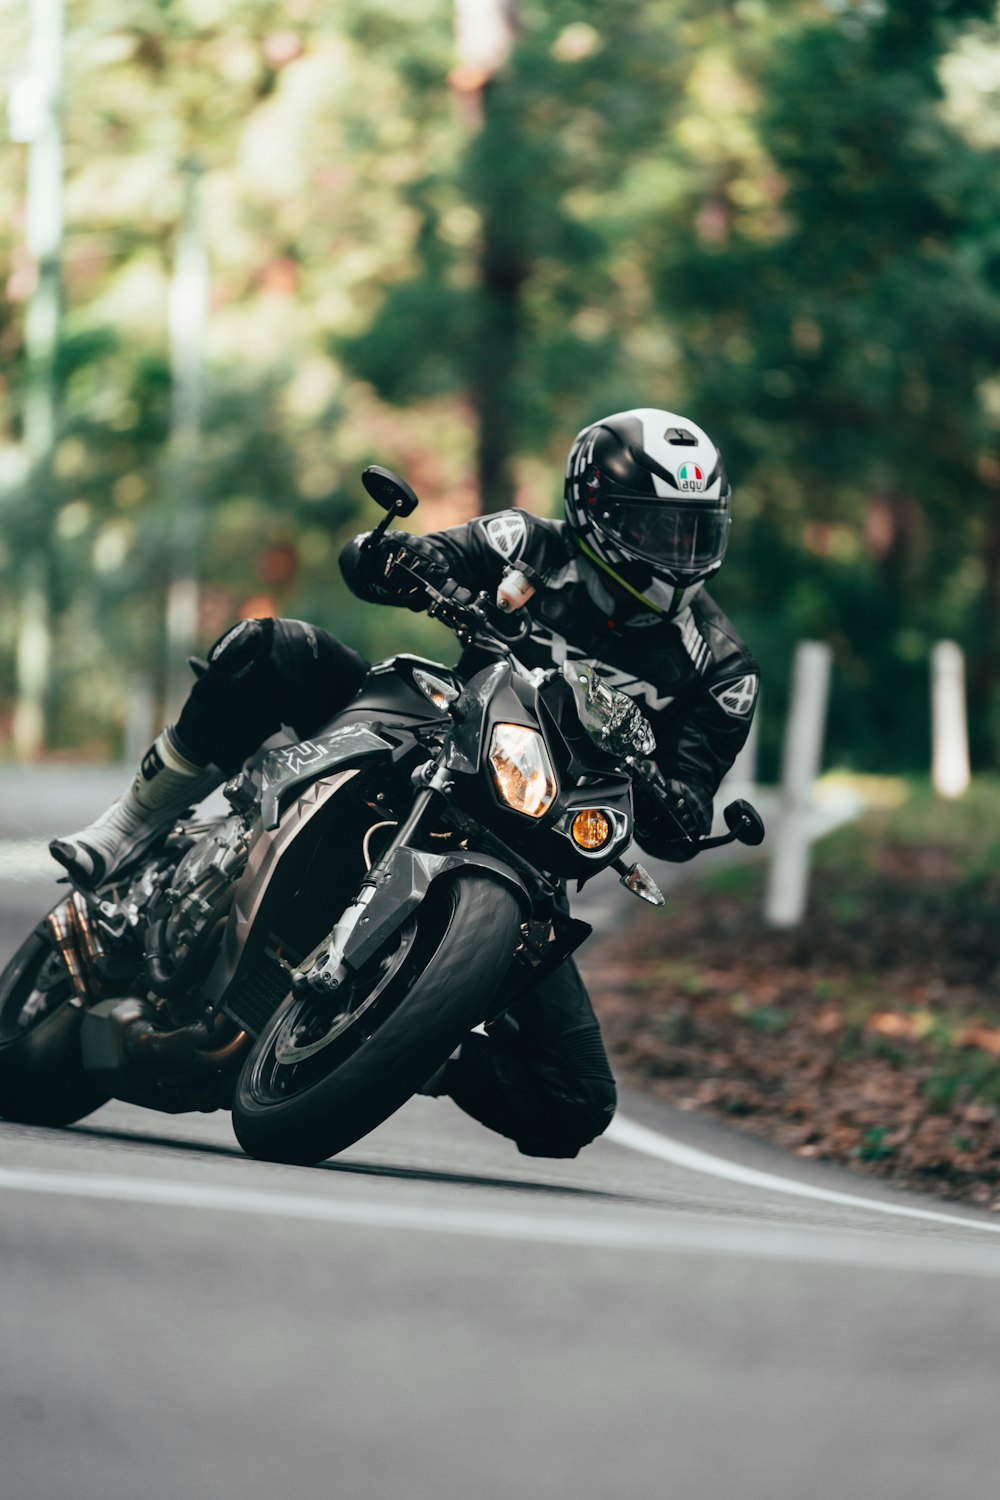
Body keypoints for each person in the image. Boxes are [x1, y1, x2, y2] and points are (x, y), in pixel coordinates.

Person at [51, 407, 758, 1158]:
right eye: (655, 530)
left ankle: (397, 1031)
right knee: (270, 648)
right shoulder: (529, 544)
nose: (676, 556)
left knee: (576, 1100)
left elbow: (682, 824)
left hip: (539, 840)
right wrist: (411, 568)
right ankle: (130, 822)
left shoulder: (721, 669)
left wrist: (422, 1031)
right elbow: (378, 561)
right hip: (438, 737)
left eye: (694, 533)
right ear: (594, 511)